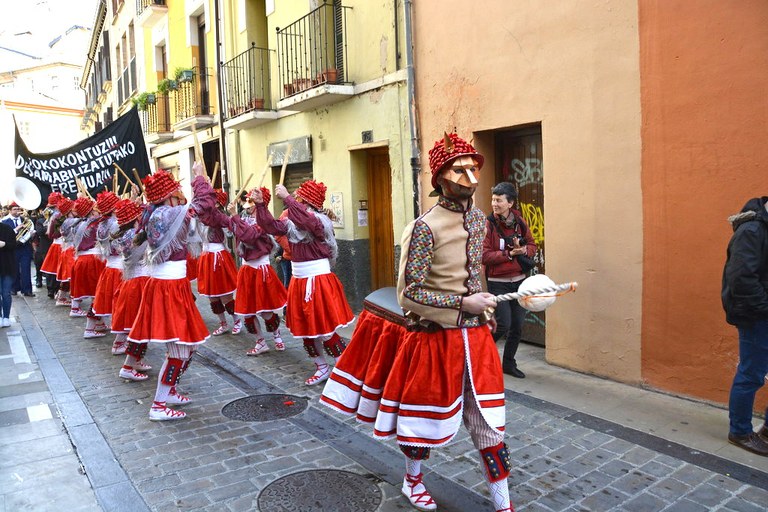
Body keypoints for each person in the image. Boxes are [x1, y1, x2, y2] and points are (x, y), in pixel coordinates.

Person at [252, 179, 353, 386]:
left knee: (325, 330)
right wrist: (261, 205)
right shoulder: (293, 221)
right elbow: (271, 226)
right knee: (306, 330)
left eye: (298, 198)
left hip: (317, 281)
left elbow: (306, 222)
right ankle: (321, 368)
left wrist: (287, 198)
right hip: (299, 280)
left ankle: (343, 369)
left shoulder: (319, 221)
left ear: (306, 202)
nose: (295, 200)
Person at [127, 168, 209, 421]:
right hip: (169, 287)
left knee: (188, 346)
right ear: (168, 195)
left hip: (171, 284)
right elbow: (204, 204)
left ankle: (169, 392)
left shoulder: (154, 213)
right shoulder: (170, 213)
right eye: (176, 191)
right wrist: (199, 177)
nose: (180, 195)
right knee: (180, 349)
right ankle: (159, 405)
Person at [192, 171, 288, 355]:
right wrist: (210, 204)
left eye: (251, 201)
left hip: (261, 269)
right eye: (248, 200)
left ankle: (277, 335)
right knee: (247, 311)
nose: (247, 203)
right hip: (246, 269)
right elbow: (218, 220)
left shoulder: (264, 222)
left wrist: (234, 216)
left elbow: (249, 236)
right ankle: (260, 342)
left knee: (265, 310)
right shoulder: (241, 218)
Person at [721, 196, 768, 457]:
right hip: (756, 315)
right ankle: (739, 432)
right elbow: (741, 279)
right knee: (751, 374)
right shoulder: (752, 229)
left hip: (763, 310)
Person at [482, 182, 537, 378]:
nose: (494, 204)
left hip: (520, 282)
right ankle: (479, 355)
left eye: (499, 200)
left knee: (517, 326)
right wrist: (508, 254)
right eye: (493, 200)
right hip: (498, 283)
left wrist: (523, 250)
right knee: (503, 323)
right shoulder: (488, 225)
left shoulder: (520, 222)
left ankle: (508, 364)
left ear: (510, 203)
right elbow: (484, 256)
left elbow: (532, 245)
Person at [191, 180, 240, 336]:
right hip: (206, 257)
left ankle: (237, 320)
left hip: (218, 257)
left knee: (224, 294)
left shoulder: (217, 216)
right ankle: (223, 323)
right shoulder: (202, 215)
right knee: (212, 296)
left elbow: (230, 229)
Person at [2, 203, 35, 297]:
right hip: (12, 248)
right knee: (14, 268)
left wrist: (31, 235)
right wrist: (17, 228)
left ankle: (27, 290)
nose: (17, 211)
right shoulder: (4, 221)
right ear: (10, 210)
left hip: (24, 247)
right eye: (15, 209)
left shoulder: (25, 220)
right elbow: (5, 234)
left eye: (18, 209)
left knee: (26, 269)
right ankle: (14, 288)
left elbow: (30, 230)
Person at [0, 221, 17, 327]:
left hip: (7, 265)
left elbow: (14, 245)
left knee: (6, 293)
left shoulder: (7, 228)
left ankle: (6, 317)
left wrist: (4, 244)